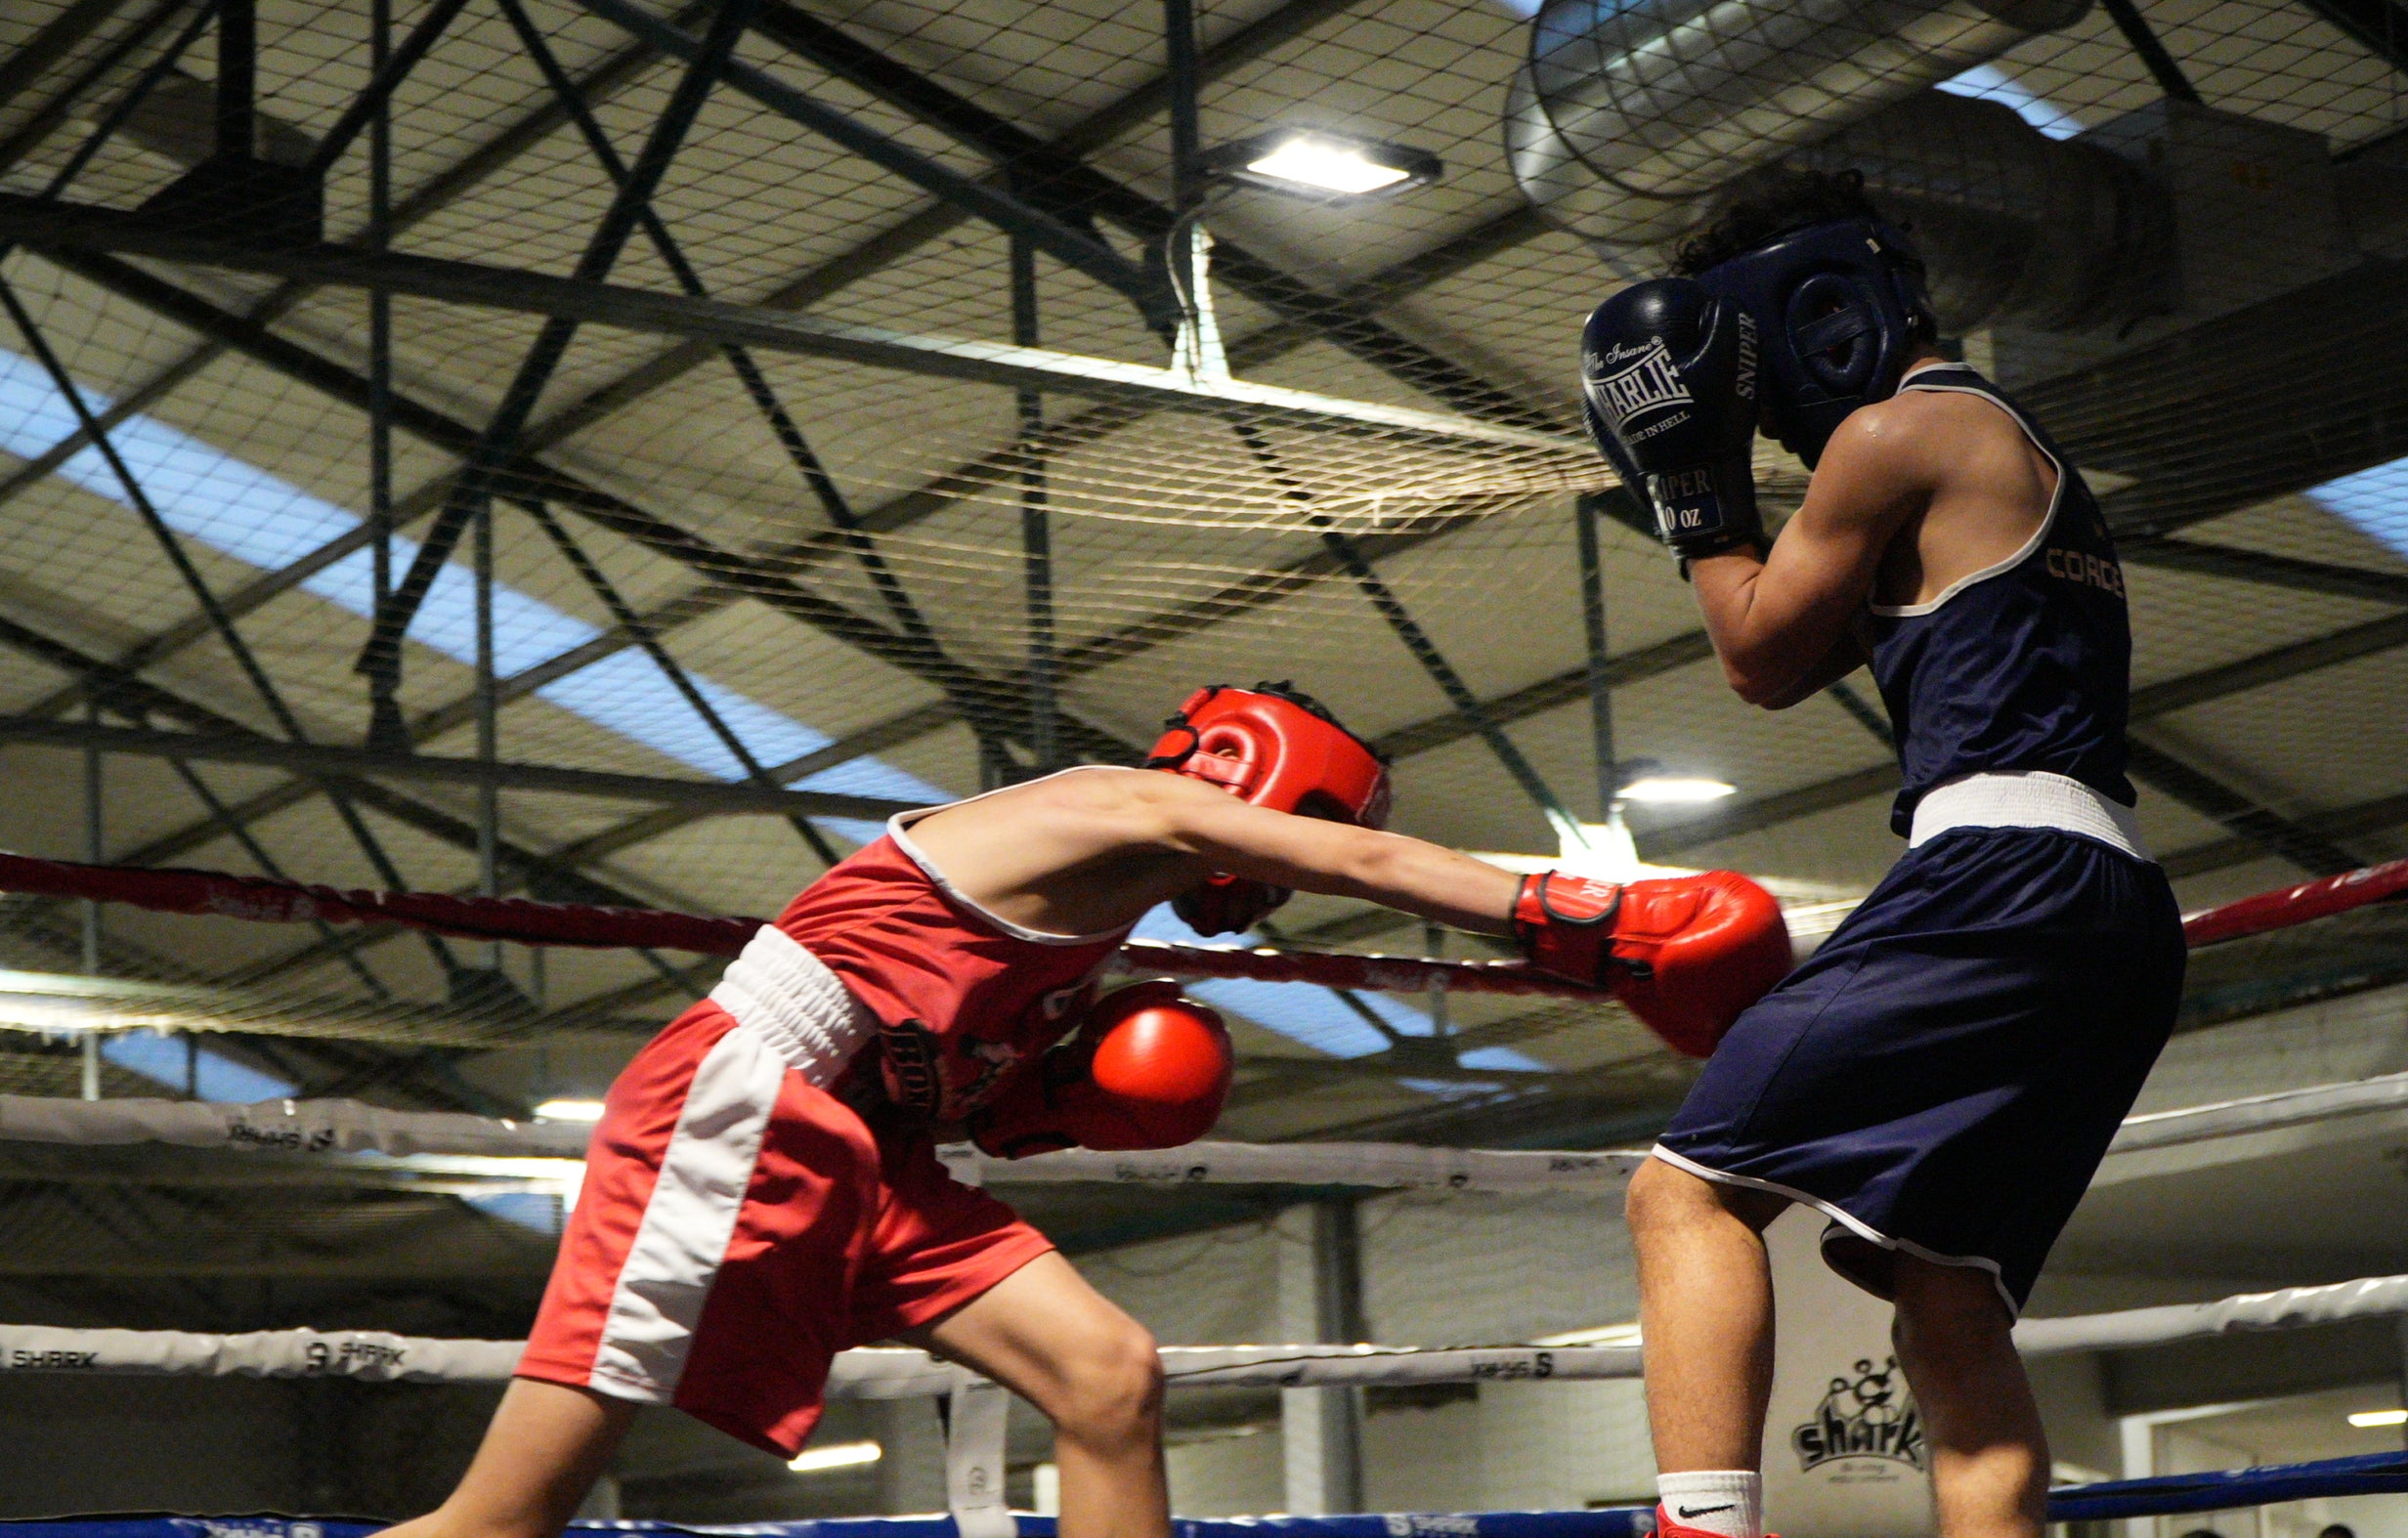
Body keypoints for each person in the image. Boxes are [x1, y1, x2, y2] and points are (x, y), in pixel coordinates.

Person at [377, 683, 1790, 1538]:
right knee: (508, 1520)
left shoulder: (1079, 924)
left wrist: (1054, 1089)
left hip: (866, 1154)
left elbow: (934, 1080)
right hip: (738, 1109)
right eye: (1282, 830)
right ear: (1251, 777)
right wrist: (1570, 914)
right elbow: (1356, 855)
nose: (1275, 879)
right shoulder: (1117, 806)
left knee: (1109, 1373)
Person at [1579, 169, 2185, 1538]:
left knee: (1679, 1191)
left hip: (2002, 875)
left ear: (1814, 319)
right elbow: (1799, 654)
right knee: (1948, 1305)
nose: (1770, 418)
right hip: (2119, 906)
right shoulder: (2012, 452)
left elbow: (1751, 657)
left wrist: (1690, 480)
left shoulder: (1897, 437)